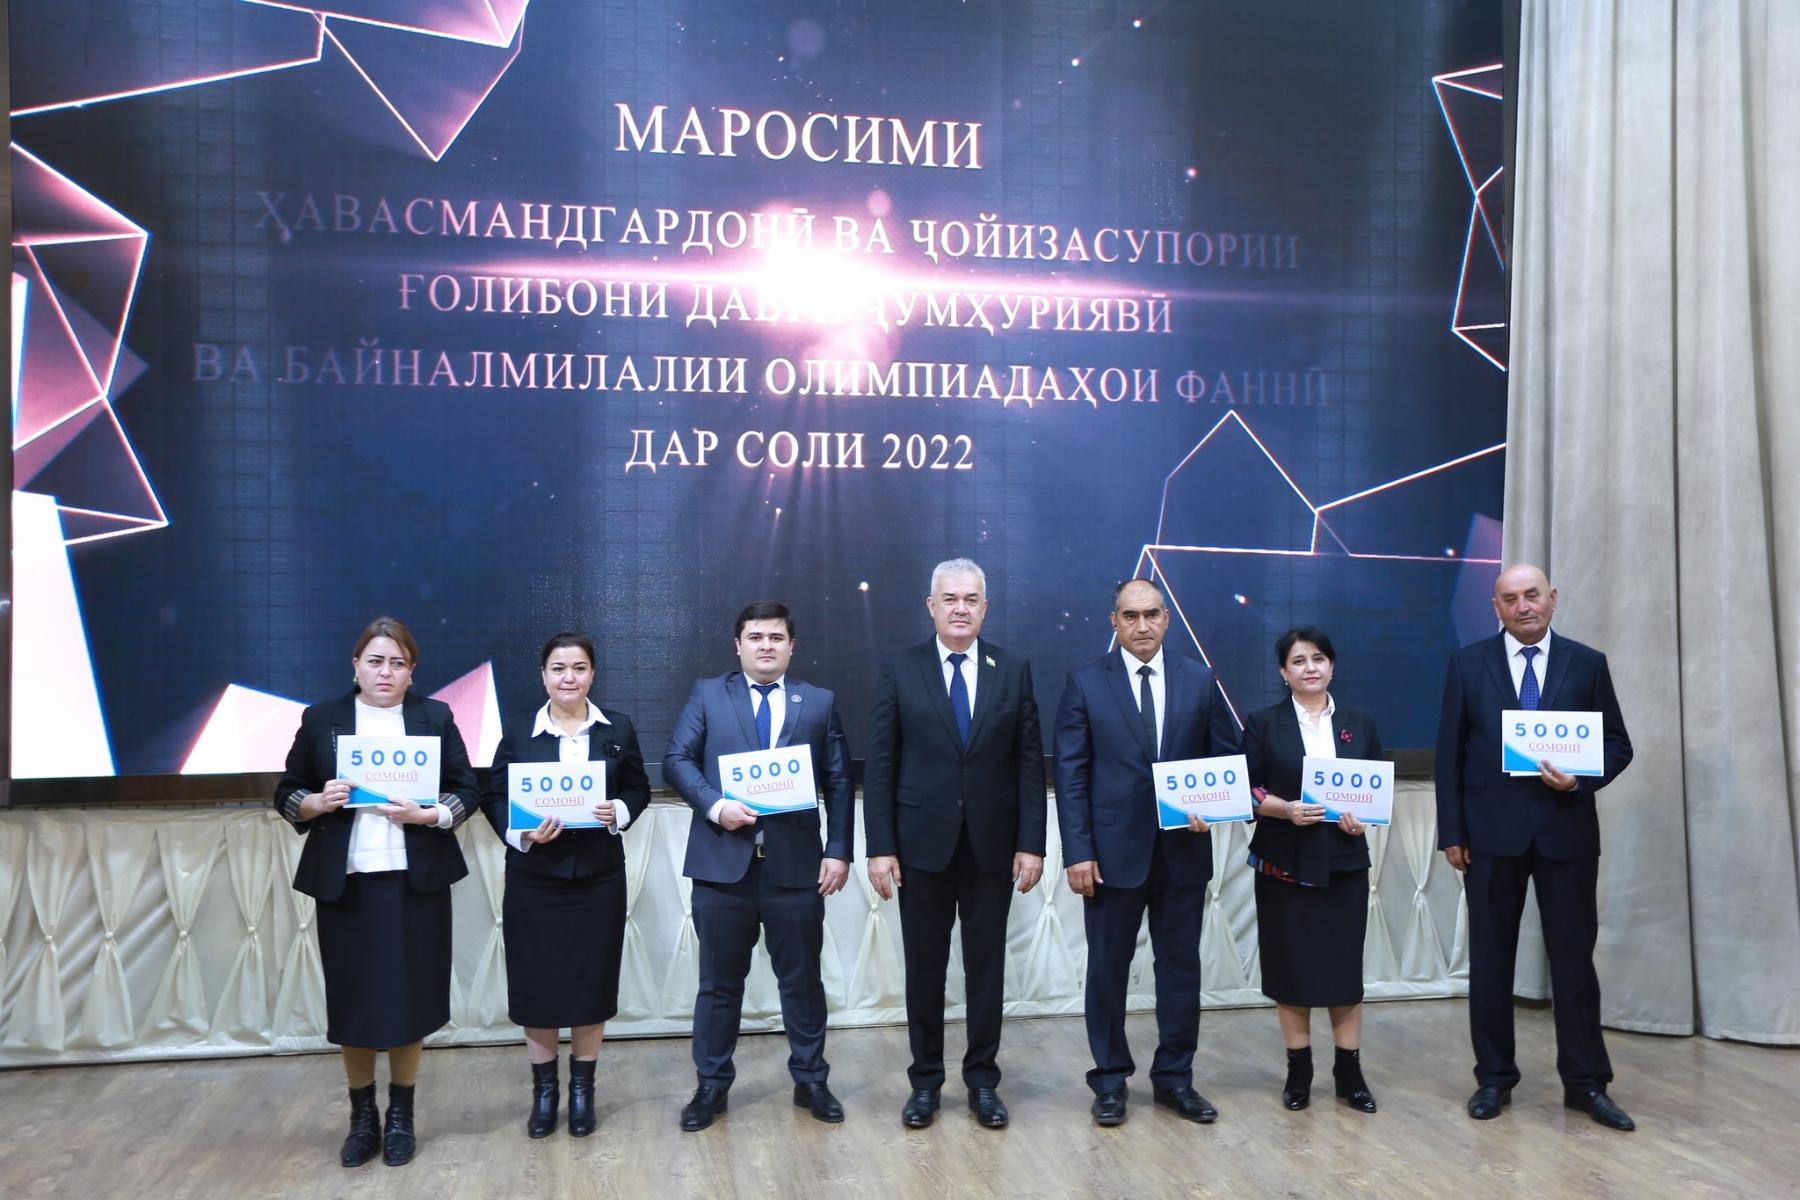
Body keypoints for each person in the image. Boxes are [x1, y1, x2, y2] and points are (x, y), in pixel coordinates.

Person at [273, 616, 479, 1168]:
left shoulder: (435, 717)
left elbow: (467, 790)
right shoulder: (322, 720)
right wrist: (314, 803)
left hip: (416, 882)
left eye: (397, 663)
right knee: (354, 1002)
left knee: (410, 1000)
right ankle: (361, 1117)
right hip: (347, 885)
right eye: (375, 661)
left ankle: (402, 1115)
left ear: (412, 671)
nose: (385, 672)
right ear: (356, 666)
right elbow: (287, 791)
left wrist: (430, 814)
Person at [1436, 564, 1635, 1130]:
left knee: (1573, 963)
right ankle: (1494, 1079)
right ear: (1495, 608)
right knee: (1490, 962)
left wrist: (1579, 780)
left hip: (1566, 832)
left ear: (1552, 599)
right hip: (1489, 836)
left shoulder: (1587, 662)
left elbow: (1617, 744)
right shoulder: (1468, 663)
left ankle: (1586, 1083)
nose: (1522, 606)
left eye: (1532, 595)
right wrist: (1452, 832)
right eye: (1510, 598)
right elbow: (1449, 753)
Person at [864, 558, 1047, 1130]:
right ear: (932, 606)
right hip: (920, 848)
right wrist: (880, 846)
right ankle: (925, 1083)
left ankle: (983, 1082)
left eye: (971, 599)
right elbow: (882, 764)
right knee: (925, 969)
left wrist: (1032, 843)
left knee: (986, 969)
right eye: (950, 599)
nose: (960, 608)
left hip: (993, 847)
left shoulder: (1012, 669)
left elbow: (1028, 763)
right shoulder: (901, 669)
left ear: (985, 607)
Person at [1053, 579, 1241, 1127]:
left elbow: (1226, 759)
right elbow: (1070, 774)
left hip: (1183, 852)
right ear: (1114, 621)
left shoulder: (1200, 679)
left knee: (1180, 970)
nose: (1142, 625)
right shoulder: (1085, 682)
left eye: (1152, 614)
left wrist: (1215, 805)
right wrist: (1078, 851)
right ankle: (1110, 1081)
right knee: (1107, 971)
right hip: (1110, 856)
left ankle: (1175, 1079)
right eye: (1130, 615)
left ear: (1166, 619)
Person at [662, 601, 854, 1131]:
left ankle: (811, 1079)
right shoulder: (708, 694)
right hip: (722, 868)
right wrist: (714, 806)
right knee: (719, 984)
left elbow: (839, 780)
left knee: (802, 982)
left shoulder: (819, 702)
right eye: (755, 637)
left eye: (775, 637)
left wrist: (838, 848)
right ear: (738, 645)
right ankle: (711, 1085)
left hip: (797, 868)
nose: (765, 645)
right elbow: (676, 759)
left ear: (791, 646)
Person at [479, 633, 651, 1139]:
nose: (568, 678)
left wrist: (619, 810)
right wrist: (521, 833)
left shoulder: (617, 728)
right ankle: (544, 1092)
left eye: (578, 668)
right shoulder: (519, 731)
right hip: (535, 878)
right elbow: (494, 796)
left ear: (592, 674)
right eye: (558, 668)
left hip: (599, 877)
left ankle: (582, 1090)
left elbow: (637, 787)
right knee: (536, 984)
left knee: (591, 982)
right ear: (544, 675)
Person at [1240, 627, 1380, 1113]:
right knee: (1291, 967)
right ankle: (1298, 1070)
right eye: (1298, 661)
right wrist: (1285, 810)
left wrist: (1362, 819)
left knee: (1344, 968)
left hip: (1344, 860)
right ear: (1284, 672)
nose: (1310, 668)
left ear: (1332, 665)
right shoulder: (1263, 723)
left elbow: (1375, 790)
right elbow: (1247, 789)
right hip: (1285, 860)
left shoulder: (1360, 722)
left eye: (1318, 658)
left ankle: (1349, 1072)